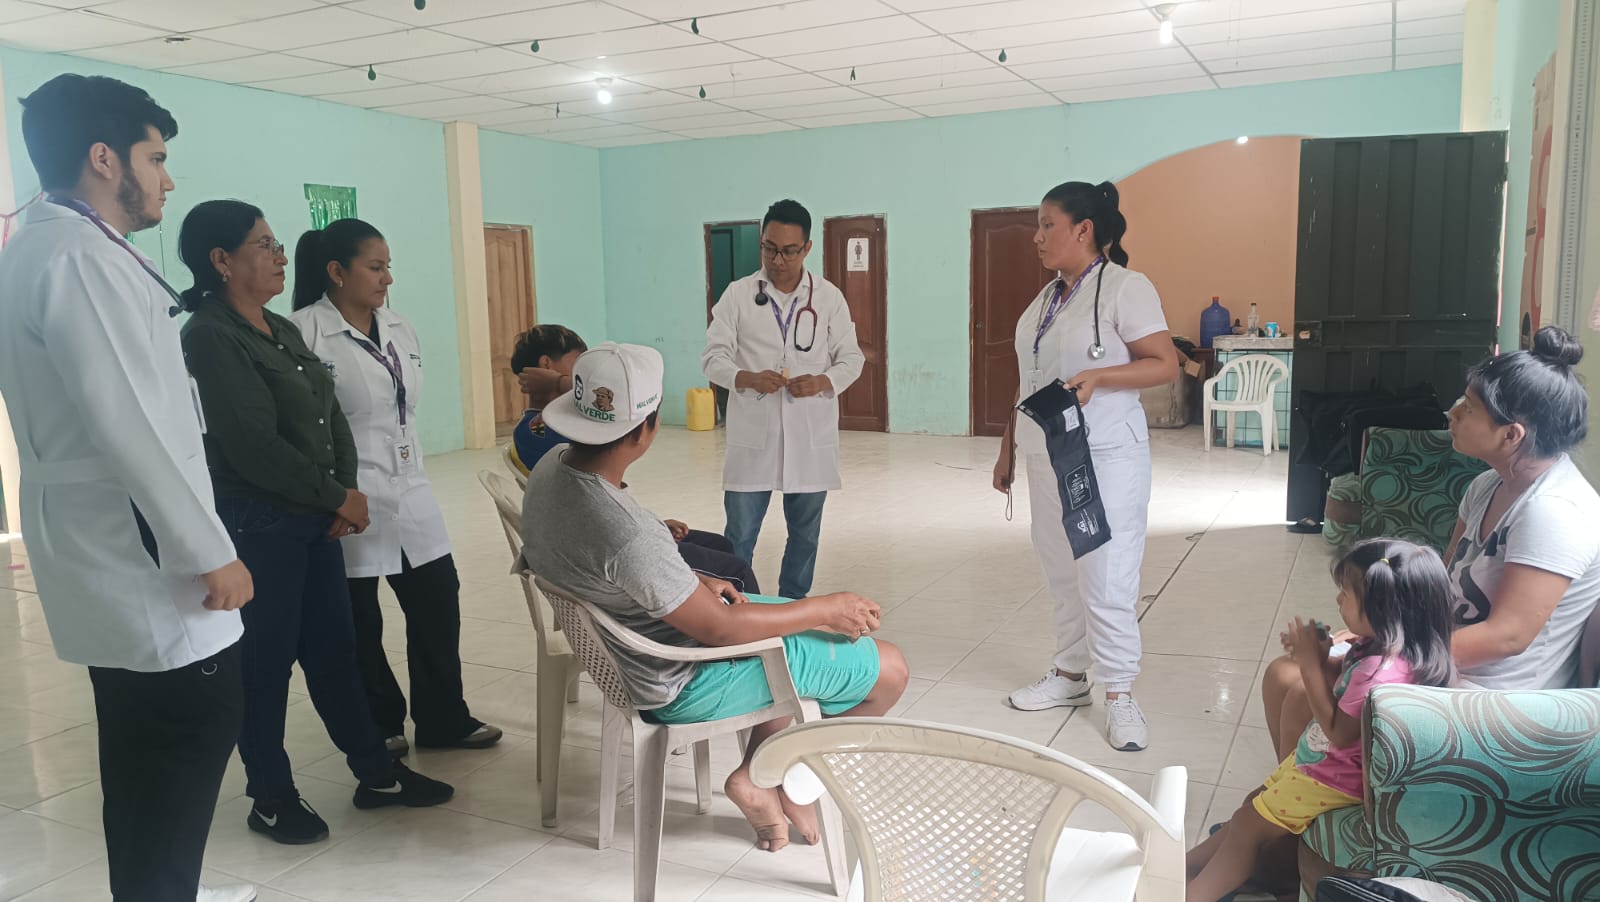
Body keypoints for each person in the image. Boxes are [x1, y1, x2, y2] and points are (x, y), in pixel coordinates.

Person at [0, 74, 257, 902]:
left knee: (144, 747)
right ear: (104, 158)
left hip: (101, 538)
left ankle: (159, 889)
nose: (167, 180)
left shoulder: (42, 247)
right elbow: (129, 423)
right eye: (156, 158)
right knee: (188, 730)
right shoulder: (79, 259)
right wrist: (210, 551)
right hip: (140, 545)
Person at [522, 343, 907, 851]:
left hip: (634, 650)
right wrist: (828, 607)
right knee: (889, 669)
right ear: (644, 431)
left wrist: (689, 580)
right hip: (678, 678)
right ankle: (775, 776)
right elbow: (721, 630)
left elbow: (620, 566)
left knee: (771, 614)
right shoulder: (627, 533)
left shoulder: (551, 468)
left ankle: (764, 771)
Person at [178, 200, 453, 846]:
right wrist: (336, 496)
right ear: (221, 261)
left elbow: (331, 417)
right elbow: (252, 444)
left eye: (277, 245)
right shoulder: (211, 336)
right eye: (264, 245)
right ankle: (271, 796)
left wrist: (341, 493)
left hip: (312, 516)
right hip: (261, 522)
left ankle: (375, 773)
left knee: (335, 652)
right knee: (266, 663)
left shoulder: (278, 327)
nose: (281, 256)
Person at [1260, 327, 1600, 760]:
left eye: (1469, 408)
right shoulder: (1487, 486)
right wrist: (1379, 625)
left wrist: (1384, 647)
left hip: (1495, 692)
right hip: (1442, 652)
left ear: (1511, 435)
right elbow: (1438, 582)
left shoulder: (1553, 512)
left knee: (1301, 693)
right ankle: (1293, 796)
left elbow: (1507, 637)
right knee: (1283, 673)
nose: (1452, 413)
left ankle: (1303, 798)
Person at [288, 218, 502, 756]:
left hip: (411, 489)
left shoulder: (399, 327)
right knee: (360, 617)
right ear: (337, 271)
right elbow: (301, 426)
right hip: (348, 495)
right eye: (376, 267)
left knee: (438, 600)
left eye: (388, 267)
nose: (387, 278)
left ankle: (443, 717)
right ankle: (380, 721)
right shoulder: (303, 332)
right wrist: (330, 495)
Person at [994, 181, 1178, 751]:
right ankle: (1071, 675)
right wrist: (1007, 445)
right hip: (1045, 453)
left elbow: (1164, 363)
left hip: (1105, 456)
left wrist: (1101, 377)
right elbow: (1030, 380)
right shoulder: (1046, 299)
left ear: (1083, 230)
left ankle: (1119, 692)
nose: (1037, 236)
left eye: (1047, 224)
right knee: (1061, 571)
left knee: (1106, 573)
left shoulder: (1126, 287)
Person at [1187, 539, 1458, 902]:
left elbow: (1339, 732)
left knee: (1248, 828)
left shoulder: (1382, 672)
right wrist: (1320, 654)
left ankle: (1192, 893)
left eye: (1346, 593)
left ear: (1382, 609)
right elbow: (1346, 677)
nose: (1338, 599)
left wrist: (1310, 665)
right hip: (1321, 764)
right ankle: (1186, 867)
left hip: (1335, 779)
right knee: (1251, 808)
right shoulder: (1385, 648)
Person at [511, 324, 761, 594]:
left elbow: (601, 502)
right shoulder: (543, 434)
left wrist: (652, 525)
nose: (587, 378)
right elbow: (607, 517)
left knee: (721, 546)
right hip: (608, 548)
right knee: (737, 571)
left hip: (600, 536)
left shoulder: (544, 436)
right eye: (578, 364)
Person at [702, 199, 865, 600]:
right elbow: (713, 358)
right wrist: (746, 378)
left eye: (789, 251)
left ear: (807, 248)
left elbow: (852, 359)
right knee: (739, 536)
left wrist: (823, 381)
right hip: (753, 439)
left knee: (805, 536)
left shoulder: (828, 298)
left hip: (809, 438)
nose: (777, 260)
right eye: (769, 248)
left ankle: (792, 606)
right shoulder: (738, 295)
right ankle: (734, 608)